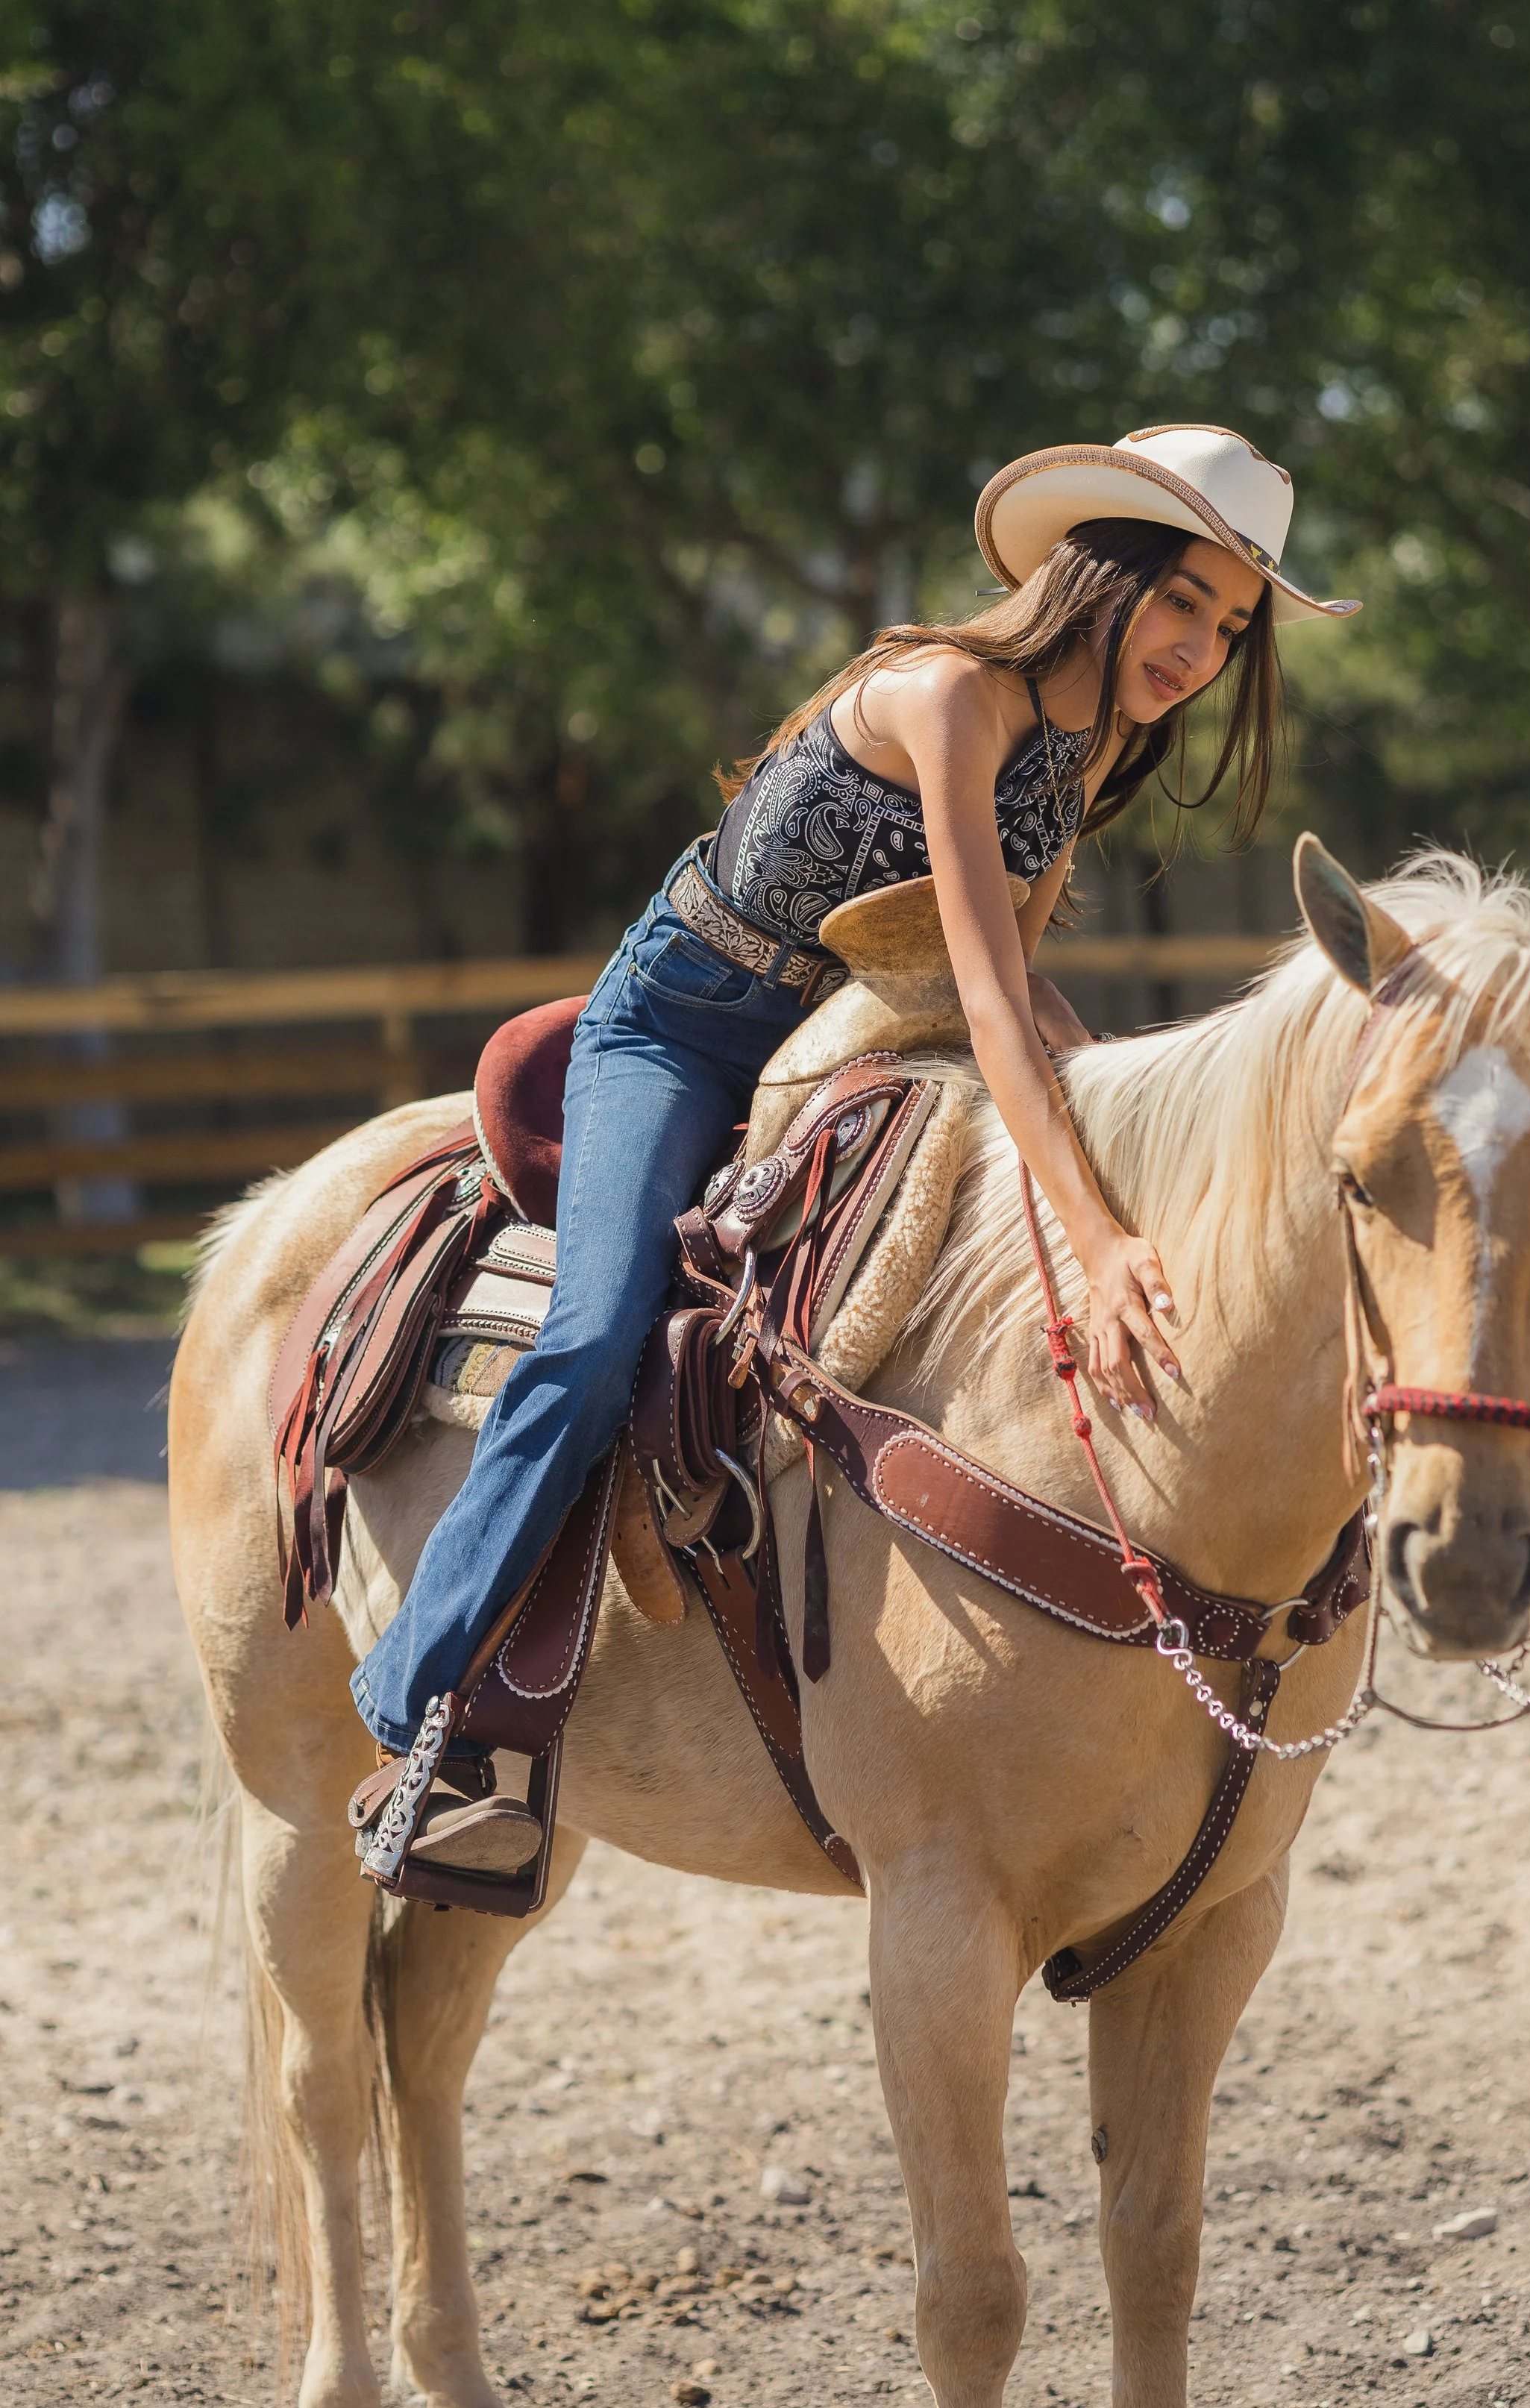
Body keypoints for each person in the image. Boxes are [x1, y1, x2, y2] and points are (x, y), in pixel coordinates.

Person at [349, 423, 1360, 1869]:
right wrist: (1098, 1232)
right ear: (1104, 572)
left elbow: (1007, 980)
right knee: (593, 1332)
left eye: (1231, 623)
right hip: (678, 1033)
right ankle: (420, 1698)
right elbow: (989, 994)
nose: (1201, 645)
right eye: (1185, 599)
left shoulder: (1081, 750)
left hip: (855, 1024)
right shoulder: (951, 695)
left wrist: (1119, 1134)